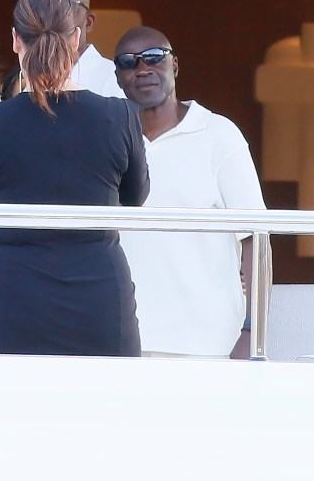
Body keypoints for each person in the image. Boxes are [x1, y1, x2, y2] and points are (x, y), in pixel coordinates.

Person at [0, 0, 149, 356]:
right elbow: (135, 197)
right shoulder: (118, 115)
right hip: (99, 294)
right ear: (76, 39)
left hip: (12, 293)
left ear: (15, 41)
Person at [113, 25, 266, 358]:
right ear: (118, 77)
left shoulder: (220, 135)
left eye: (154, 57)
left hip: (205, 343)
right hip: (121, 338)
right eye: (129, 62)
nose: (143, 69)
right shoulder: (108, 141)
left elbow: (257, 239)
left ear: (175, 66)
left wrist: (252, 330)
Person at [36, 0, 125, 98]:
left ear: (88, 22)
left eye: (64, 4)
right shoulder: (21, 80)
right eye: (40, 4)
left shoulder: (116, 80)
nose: (50, 13)